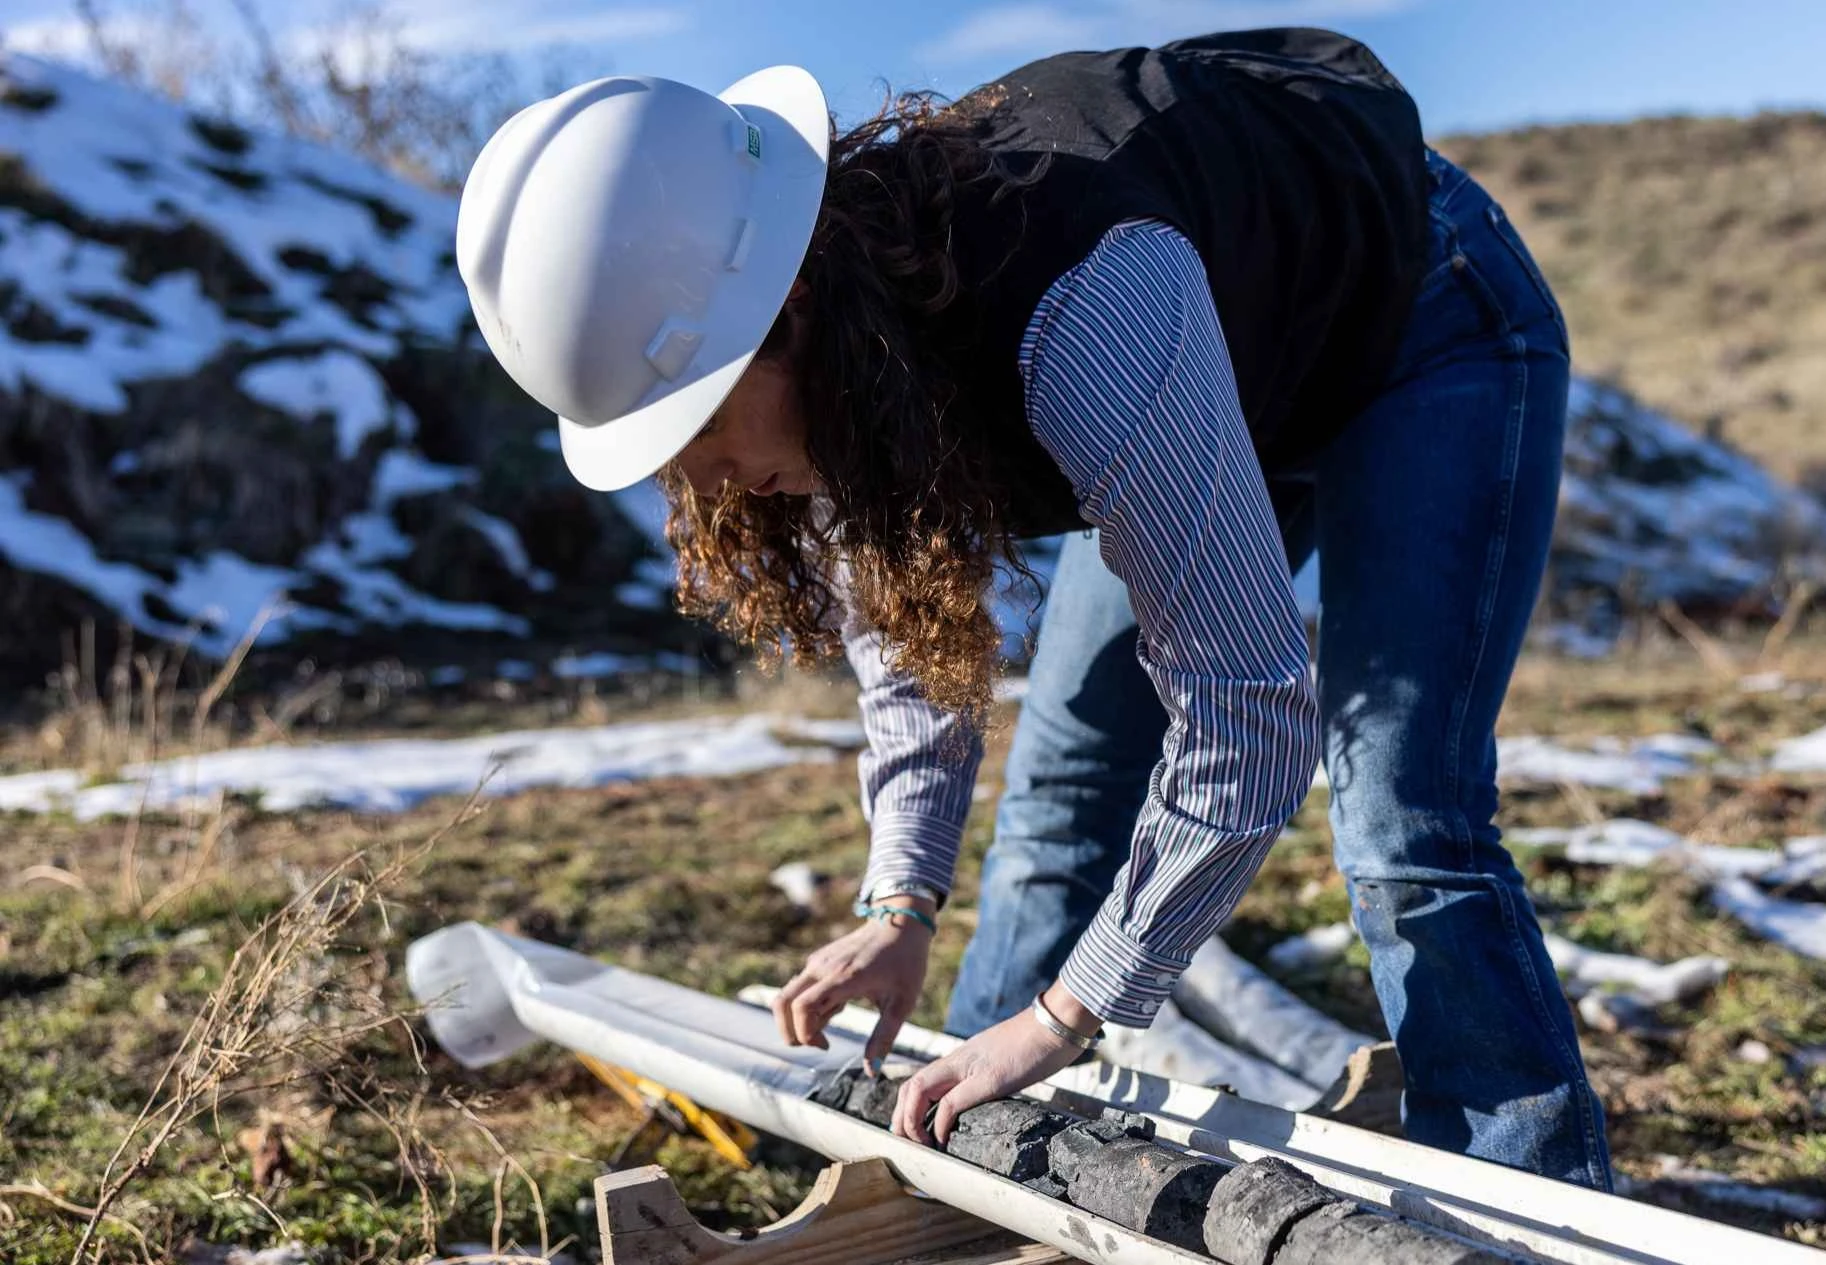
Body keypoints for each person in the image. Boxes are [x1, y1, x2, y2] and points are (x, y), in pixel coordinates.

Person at [455, 28, 1610, 1188]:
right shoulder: (854, 373)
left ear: (789, 303)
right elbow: (909, 652)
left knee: (1405, 820)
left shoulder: (1080, 307)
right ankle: (965, 1151)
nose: (697, 479)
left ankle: (1529, 1200)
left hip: (1417, 322)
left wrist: (1068, 1014)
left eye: (699, 423)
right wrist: (899, 903)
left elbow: (1247, 708)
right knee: (1066, 777)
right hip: (1225, 354)